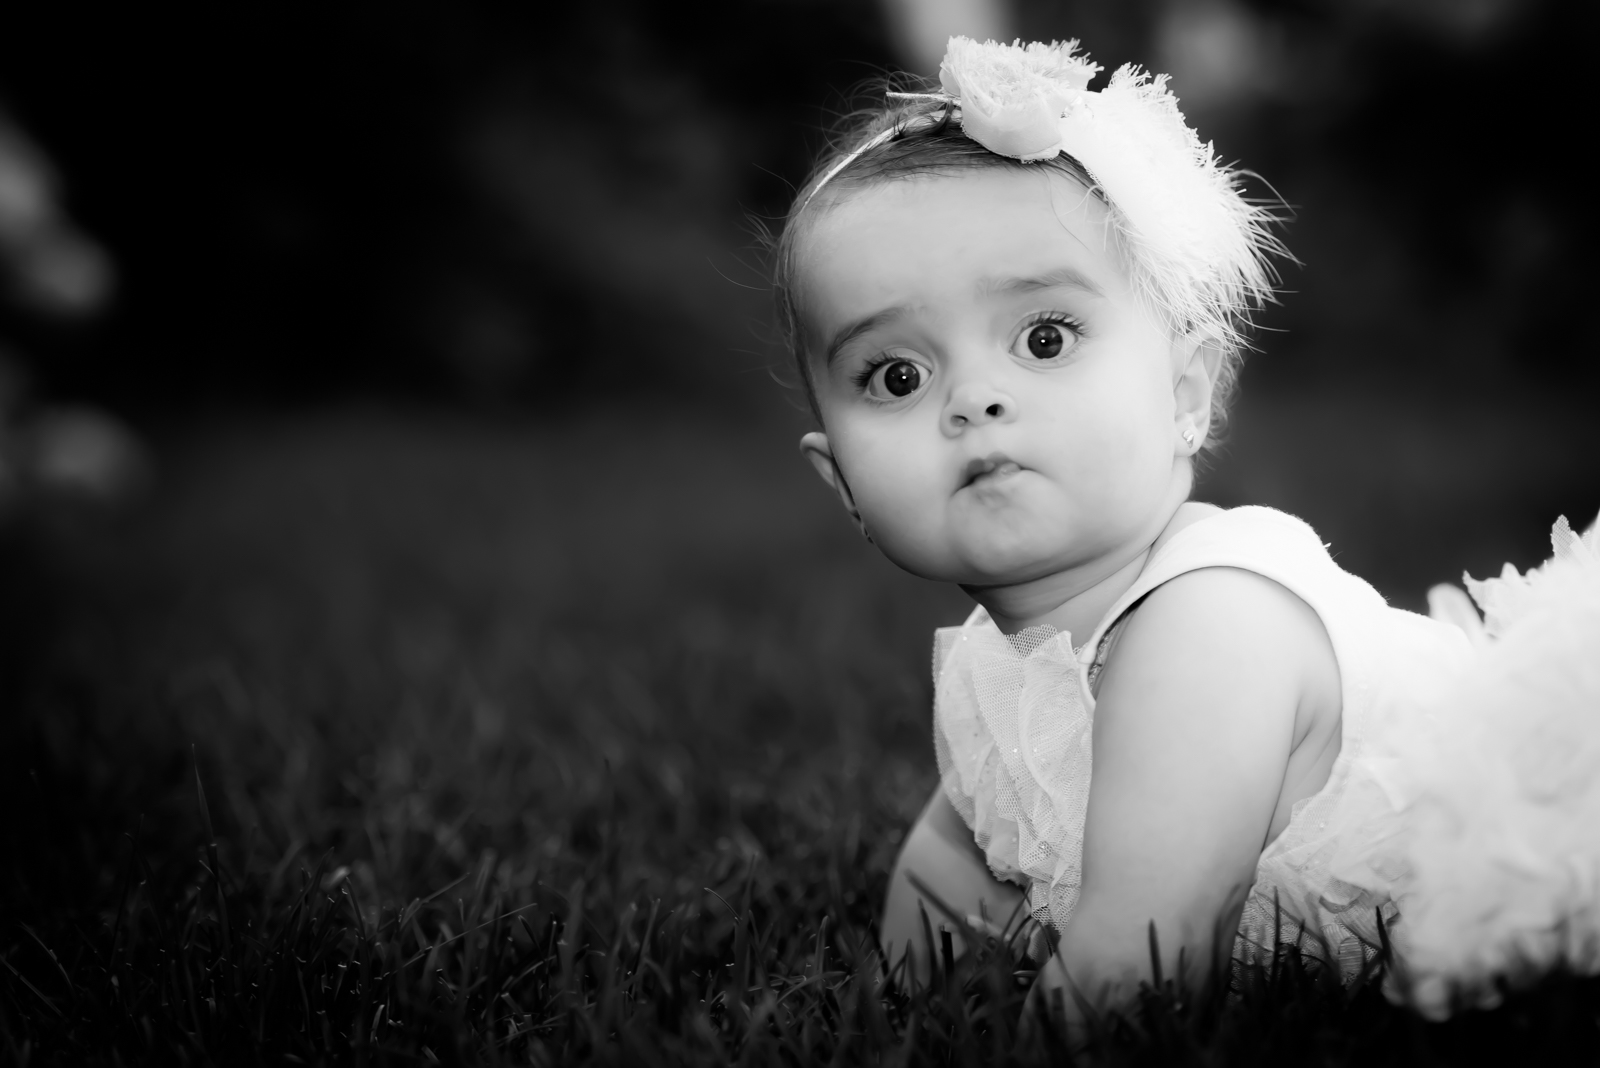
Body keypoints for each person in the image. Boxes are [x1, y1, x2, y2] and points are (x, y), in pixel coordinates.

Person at [770, 36, 1600, 1023]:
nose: (975, 399)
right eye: (897, 376)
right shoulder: (999, 674)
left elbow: (1144, 957)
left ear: (1186, 395)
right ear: (842, 482)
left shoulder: (1209, 624)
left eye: (1043, 338)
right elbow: (953, 859)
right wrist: (884, 1003)